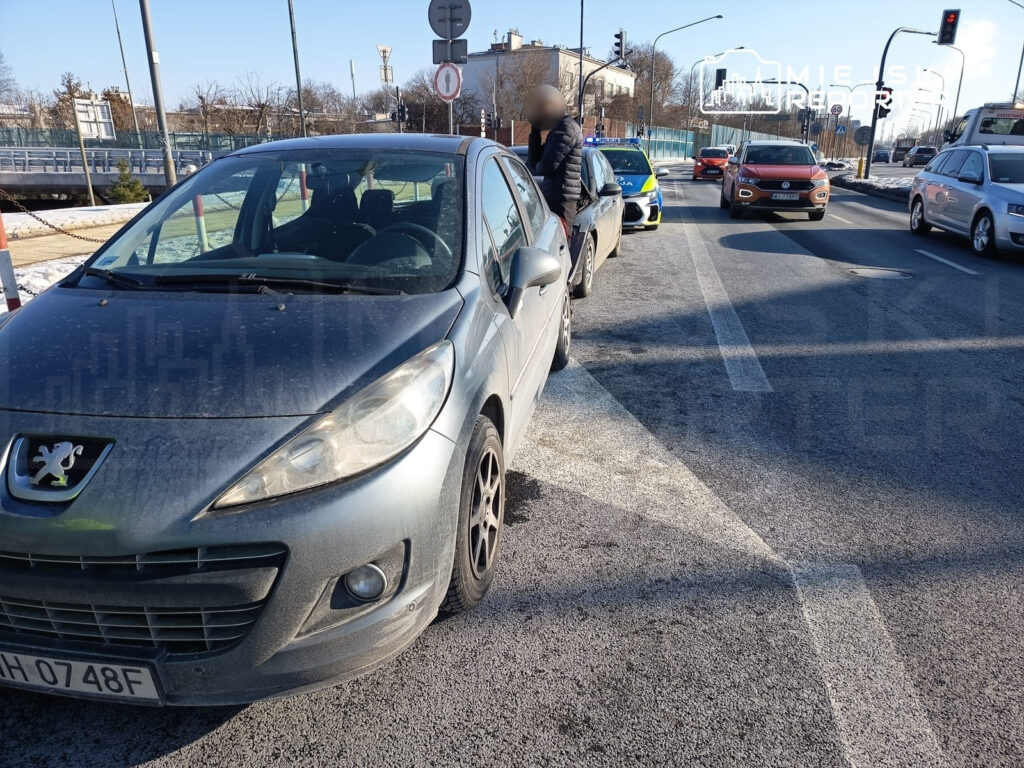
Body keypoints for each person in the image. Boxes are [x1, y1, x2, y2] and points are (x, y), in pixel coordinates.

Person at [525, 85, 583, 233]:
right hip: (556, 195)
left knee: (561, 244)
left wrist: (535, 167)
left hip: (561, 198)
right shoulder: (559, 128)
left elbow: (547, 166)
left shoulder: (565, 129)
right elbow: (536, 158)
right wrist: (535, 130)